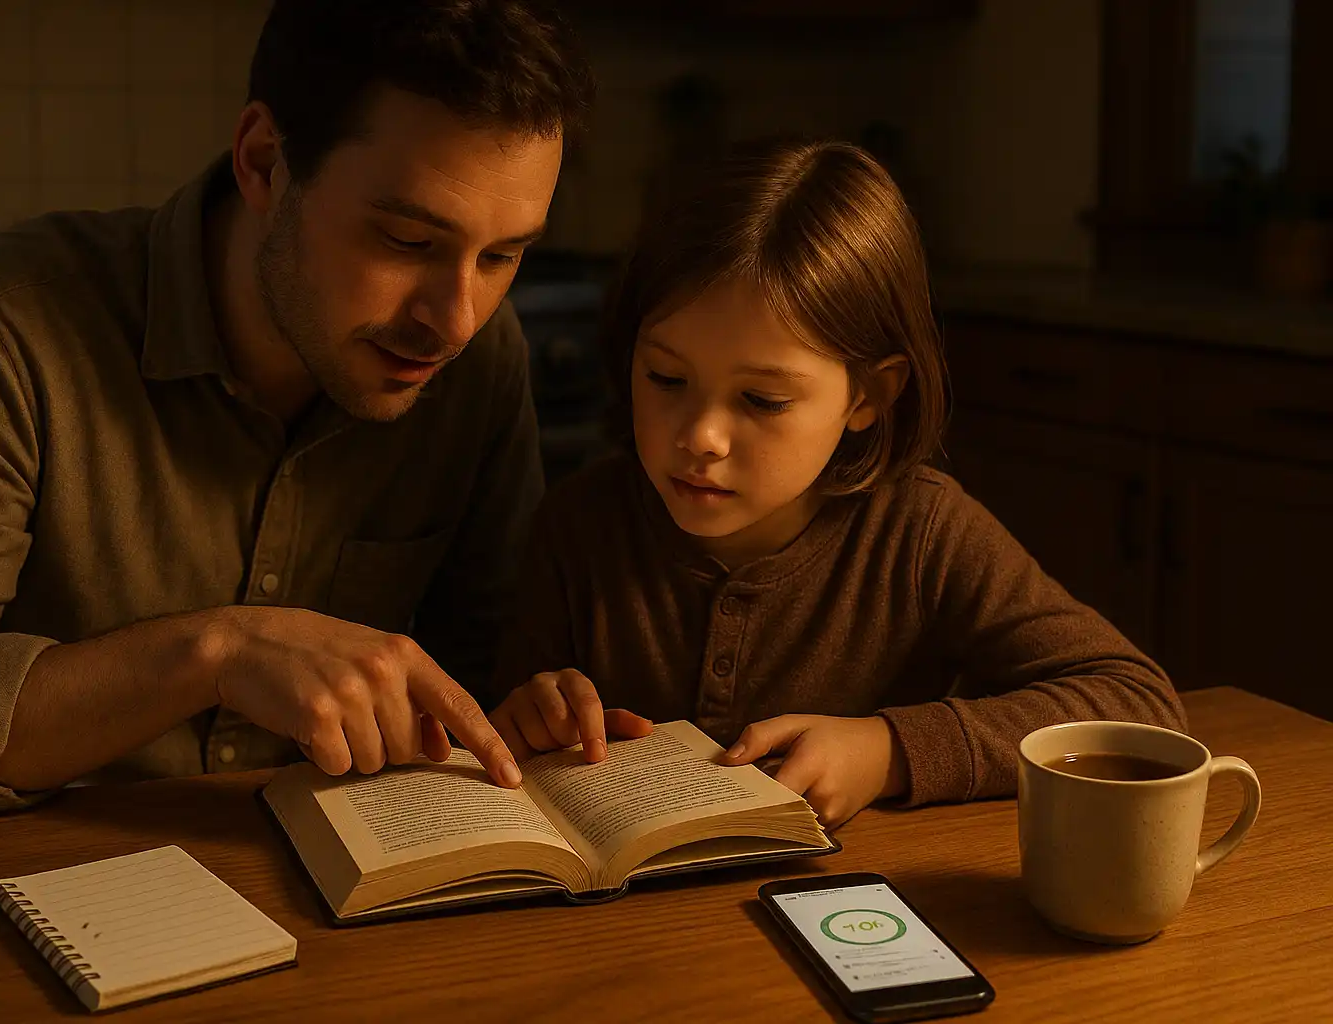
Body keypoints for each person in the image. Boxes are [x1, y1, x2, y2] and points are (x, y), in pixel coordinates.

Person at [0, 0, 594, 817]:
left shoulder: (476, 363)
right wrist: (213, 650)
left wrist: (543, 706)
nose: (457, 320)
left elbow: (482, 676)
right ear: (263, 161)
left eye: (502, 256)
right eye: (406, 242)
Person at [487, 138, 1185, 827]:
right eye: (666, 378)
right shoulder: (581, 522)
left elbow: (1135, 698)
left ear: (868, 397)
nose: (700, 435)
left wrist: (889, 750)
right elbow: (514, 710)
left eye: (762, 400)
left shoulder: (919, 533)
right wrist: (531, 710)